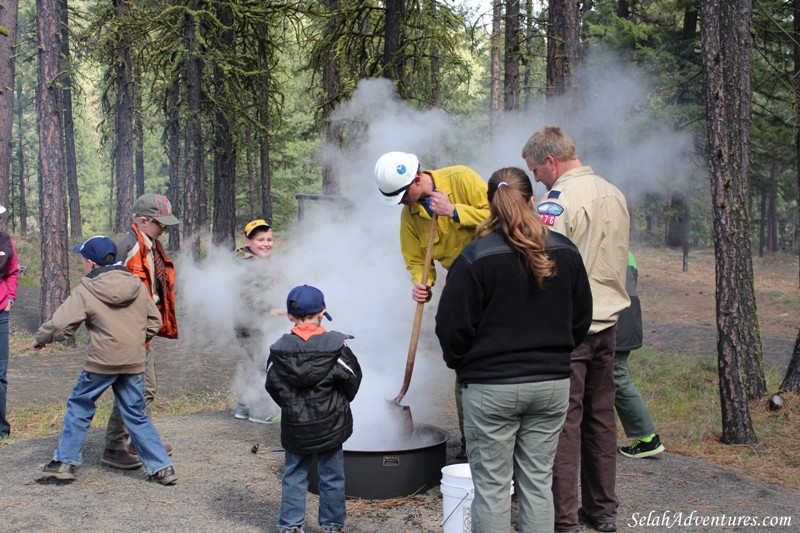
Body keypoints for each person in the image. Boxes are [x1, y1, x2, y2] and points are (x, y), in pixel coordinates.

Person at [436, 168, 593, 533]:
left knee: (492, 490)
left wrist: (464, 364)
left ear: (490, 205)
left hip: (491, 388)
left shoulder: (475, 258)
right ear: (532, 201)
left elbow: (451, 327)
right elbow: (581, 317)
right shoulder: (566, 252)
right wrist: (554, 354)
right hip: (551, 385)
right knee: (537, 485)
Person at [522, 126, 630, 533]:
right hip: (609, 325)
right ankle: (602, 512)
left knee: (562, 424)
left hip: (572, 329)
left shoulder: (558, 203)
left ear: (551, 160)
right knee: (601, 420)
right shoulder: (614, 193)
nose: (535, 178)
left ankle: (562, 518)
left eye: (535, 169)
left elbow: (545, 263)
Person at [374, 151, 489, 460]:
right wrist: (421, 281)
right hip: (460, 282)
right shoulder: (409, 216)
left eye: (401, 195)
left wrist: (454, 211)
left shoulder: (462, 177)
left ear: (416, 178)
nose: (400, 202)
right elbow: (414, 258)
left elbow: (499, 215)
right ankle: (470, 443)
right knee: (462, 358)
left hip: (495, 276)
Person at [34, 236, 176, 485]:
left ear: (90, 263)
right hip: (133, 361)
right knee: (136, 413)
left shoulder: (87, 289)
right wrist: (134, 339)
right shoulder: (136, 284)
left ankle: (65, 462)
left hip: (101, 363)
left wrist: (43, 338)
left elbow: (60, 323)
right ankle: (162, 467)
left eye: (83, 261)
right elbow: (154, 320)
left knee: (80, 404)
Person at [266, 285, 362, 533]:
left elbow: (272, 385)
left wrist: (290, 406)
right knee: (332, 476)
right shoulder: (336, 348)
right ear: (323, 313)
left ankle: (290, 526)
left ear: (289, 315)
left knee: (294, 475)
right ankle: (332, 525)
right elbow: (353, 379)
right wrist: (339, 404)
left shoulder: (278, 351)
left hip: (295, 426)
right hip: (330, 424)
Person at [103, 192, 180, 470]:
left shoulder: (150, 244)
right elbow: (112, 295)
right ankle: (114, 447)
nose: (165, 229)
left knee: (142, 389)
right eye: (161, 224)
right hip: (130, 332)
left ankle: (136, 439)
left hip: (142, 330)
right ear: (144, 220)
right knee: (138, 389)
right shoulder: (127, 249)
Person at [615, 251, 665, 458]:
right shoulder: (628, 252)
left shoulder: (603, 246)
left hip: (616, 320)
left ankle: (647, 438)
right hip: (626, 318)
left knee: (617, 377)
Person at [233, 218, 281, 423]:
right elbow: (246, 294)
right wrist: (269, 308)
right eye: (260, 239)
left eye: (269, 239)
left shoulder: (263, 262)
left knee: (258, 363)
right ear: (249, 241)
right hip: (250, 324)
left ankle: (243, 407)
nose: (266, 243)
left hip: (257, 323)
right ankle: (260, 411)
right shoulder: (246, 264)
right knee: (264, 363)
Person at [0, 204, 19, 440]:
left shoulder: (5, 241)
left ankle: (1, 427)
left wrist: (10, 298)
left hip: (1, 312)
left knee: (0, 373)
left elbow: (12, 272)